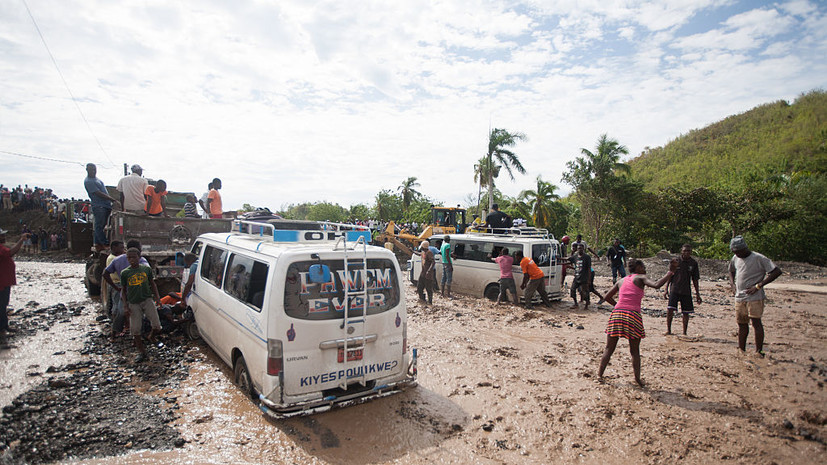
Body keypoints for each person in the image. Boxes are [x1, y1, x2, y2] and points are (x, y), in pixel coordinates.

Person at [599, 258, 677, 386]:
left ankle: (600, 375)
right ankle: (637, 380)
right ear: (637, 268)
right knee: (634, 351)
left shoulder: (621, 280)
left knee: (609, 348)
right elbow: (657, 285)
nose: (645, 268)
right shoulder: (641, 278)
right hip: (632, 316)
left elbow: (606, 297)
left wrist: (618, 305)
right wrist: (670, 273)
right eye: (642, 266)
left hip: (617, 314)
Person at [728, 236, 782, 357]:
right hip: (739, 296)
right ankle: (741, 349)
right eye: (734, 252)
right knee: (741, 324)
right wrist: (732, 284)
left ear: (744, 248)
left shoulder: (758, 258)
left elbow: (776, 271)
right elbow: (731, 270)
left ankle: (759, 351)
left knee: (756, 323)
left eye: (738, 251)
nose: (736, 254)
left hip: (755, 297)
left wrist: (759, 285)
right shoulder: (735, 258)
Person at [120, 247, 162, 363]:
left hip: (147, 300)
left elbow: (152, 284)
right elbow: (123, 290)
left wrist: (157, 298)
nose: (131, 260)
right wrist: (125, 305)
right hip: (133, 303)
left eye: (134, 257)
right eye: (129, 258)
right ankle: (142, 352)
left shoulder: (146, 270)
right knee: (136, 330)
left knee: (157, 325)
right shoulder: (125, 273)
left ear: (139, 257)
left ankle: (151, 336)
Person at [665, 244, 702, 336]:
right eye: (685, 250)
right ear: (681, 251)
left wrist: (697, 294)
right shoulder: (675, 261)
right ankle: (669, 330)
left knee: (686, 313)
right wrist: (666, 289)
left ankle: (684, 332)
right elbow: (670, 275)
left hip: (686, 291)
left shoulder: (693, 263)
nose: (686, 253)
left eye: (688, 251)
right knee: (670, 310)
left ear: (691, 252)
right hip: (674, 289)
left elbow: (695, 279)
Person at [1, 229, 30, 338]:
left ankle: (4, 326)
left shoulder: (2, 248)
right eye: (2, 236)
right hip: (2, 282)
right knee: (1, 305)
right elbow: (11, 252)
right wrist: (21, 240)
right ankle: (2, 328)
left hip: (5, 281)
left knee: (4, 304)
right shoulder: (1, 249)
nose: (4, 237)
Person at [84, 163, 118, 251]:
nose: (94, 171)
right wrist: (111, 199)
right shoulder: (88, 181)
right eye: (92, 170)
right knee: (99, 226)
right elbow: (98, 193)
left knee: (101, 226)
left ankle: (97, 244)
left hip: (105, 205)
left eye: (95, 169)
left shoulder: (97, 180)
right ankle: (104, 243)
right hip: (99, 205)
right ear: (87, 170)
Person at [104, 241, 128, 339]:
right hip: (117, 284)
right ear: (114, 247)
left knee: (121, 307)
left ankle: (120, 328)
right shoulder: (112, 259)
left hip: (118, 284)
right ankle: (115, 330)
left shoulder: (115, 258)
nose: (123, 250)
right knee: (117, 307)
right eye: (121, 248)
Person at [569, 243, 592, 309]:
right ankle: (575, 303)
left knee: (585, 292)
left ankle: (586, 305)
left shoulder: (587, 257)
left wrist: (589, 279)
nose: (579, 250)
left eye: (581, 248)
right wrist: (558, 259)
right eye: (578, 248)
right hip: (577, 276)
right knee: (572, 290)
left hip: (584, 277)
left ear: (583, 249)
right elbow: (568, 259)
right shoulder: (575, 256)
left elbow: (589, 269)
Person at [416, 241, 435, 305]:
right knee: (419, 287)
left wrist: (429, 271)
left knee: (428, 289)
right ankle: (422, 299)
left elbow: (433, 262)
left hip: (427, 274)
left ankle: (430, 302)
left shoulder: (429, 253)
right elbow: (419, 254)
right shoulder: (423, 252)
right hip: (423, 273)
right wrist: (411, 251)